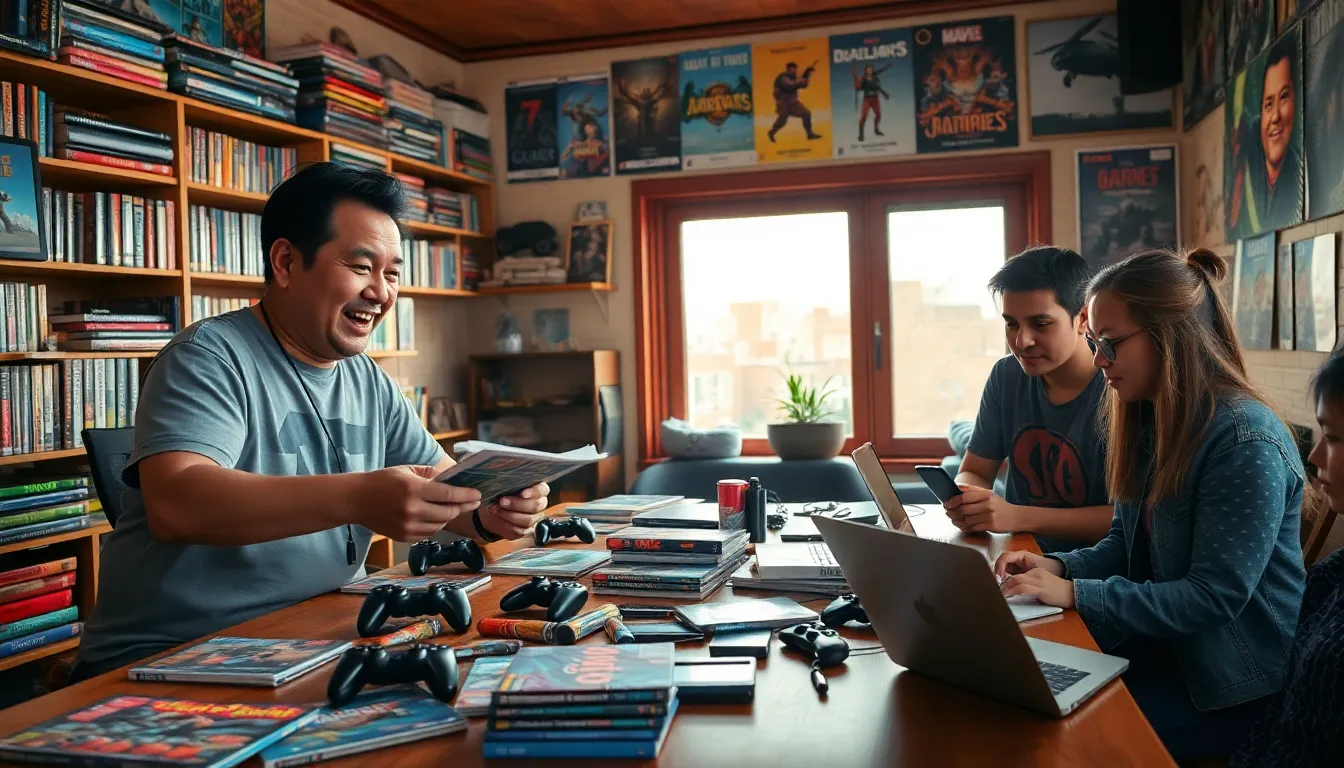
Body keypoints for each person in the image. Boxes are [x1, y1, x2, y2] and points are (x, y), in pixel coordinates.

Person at [71, 163, 551, 681]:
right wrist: (357, 497)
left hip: (311, 637)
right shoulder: (208, 355)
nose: (381, 292)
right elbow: (177, 503)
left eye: (392, 273)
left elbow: (444, 490)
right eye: (361, 266)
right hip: (170, 655)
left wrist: (493, 510)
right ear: (285, 262)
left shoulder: (368, 379)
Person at [995, 247, 1307, 761]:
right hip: (1162, 653)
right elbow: (1124, 541)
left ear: (1171, 336)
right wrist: (1053, 565)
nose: (1097, 360)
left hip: (1233, 688)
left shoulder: (1244, 441)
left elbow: (1212, 598)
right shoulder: (1151, 418)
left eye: (1111, 344)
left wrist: (1074, 592)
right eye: (1095, 342)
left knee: (1063, 746)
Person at [945, 246, 1112, 553]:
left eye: (1041, 324)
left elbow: (1129, 520)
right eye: (1011, 324)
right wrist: (968, 498)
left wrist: (1016, 516)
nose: (1022, 341)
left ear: (1083, 318)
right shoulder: (1006, 376)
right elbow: (977, 470)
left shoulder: (1118, 386)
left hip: (1096, 573)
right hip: (1017, 560)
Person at [1229, 352, 1344, 767]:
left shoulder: (1247, 440)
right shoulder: (1331, 575)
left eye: (1332, 438)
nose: (1314, 458)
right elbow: (1282, 718)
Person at [1230, 32, 1301, 234]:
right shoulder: (1251, 139)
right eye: (1268, 104)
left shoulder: (1297, 181)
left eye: (1284, 97)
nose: (1275, 116)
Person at [767, 61, 822, 142]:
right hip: (783, 103)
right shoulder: (782, 77)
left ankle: (809, 134)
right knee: (782, 121)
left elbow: (803, 85)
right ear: (789, 69)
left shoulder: (793, 77)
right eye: (794, 69)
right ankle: (771, 132)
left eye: (796, 69)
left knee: (806, 113)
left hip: (792, 102)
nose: (795, 70)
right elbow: (790, 86)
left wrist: (806, 74)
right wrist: (802, 79)